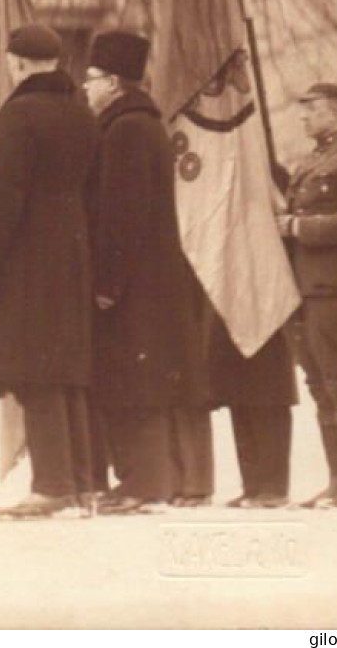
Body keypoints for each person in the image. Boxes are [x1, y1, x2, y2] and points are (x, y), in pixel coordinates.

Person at [0, 24, 100, 519]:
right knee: (67, 372)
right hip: (73, 247)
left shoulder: (20, 113)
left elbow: (6, 195)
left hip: (29, 253)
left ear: (17, 63)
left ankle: (52, 485)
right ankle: (82, 483)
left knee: (35, 369)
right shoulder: (82, 113)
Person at [81, 31, 213, 513]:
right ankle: (143, 481)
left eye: (92, 79)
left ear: (114, 81)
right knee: (136, 381)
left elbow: (123, 214)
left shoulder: (127, 130)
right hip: (148, 282)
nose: (86, 88)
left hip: (135, 286)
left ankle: (144, 484)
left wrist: (107, 283)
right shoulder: (135, 124)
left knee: (133, 383)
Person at [278, 82, 337, 508]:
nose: (304, 117)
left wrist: (297, 227)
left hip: (333, 287)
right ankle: (335, 481)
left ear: (336, 113)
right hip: (305, 286)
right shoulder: (310, 162)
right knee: (318, 385)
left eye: (312, 109)